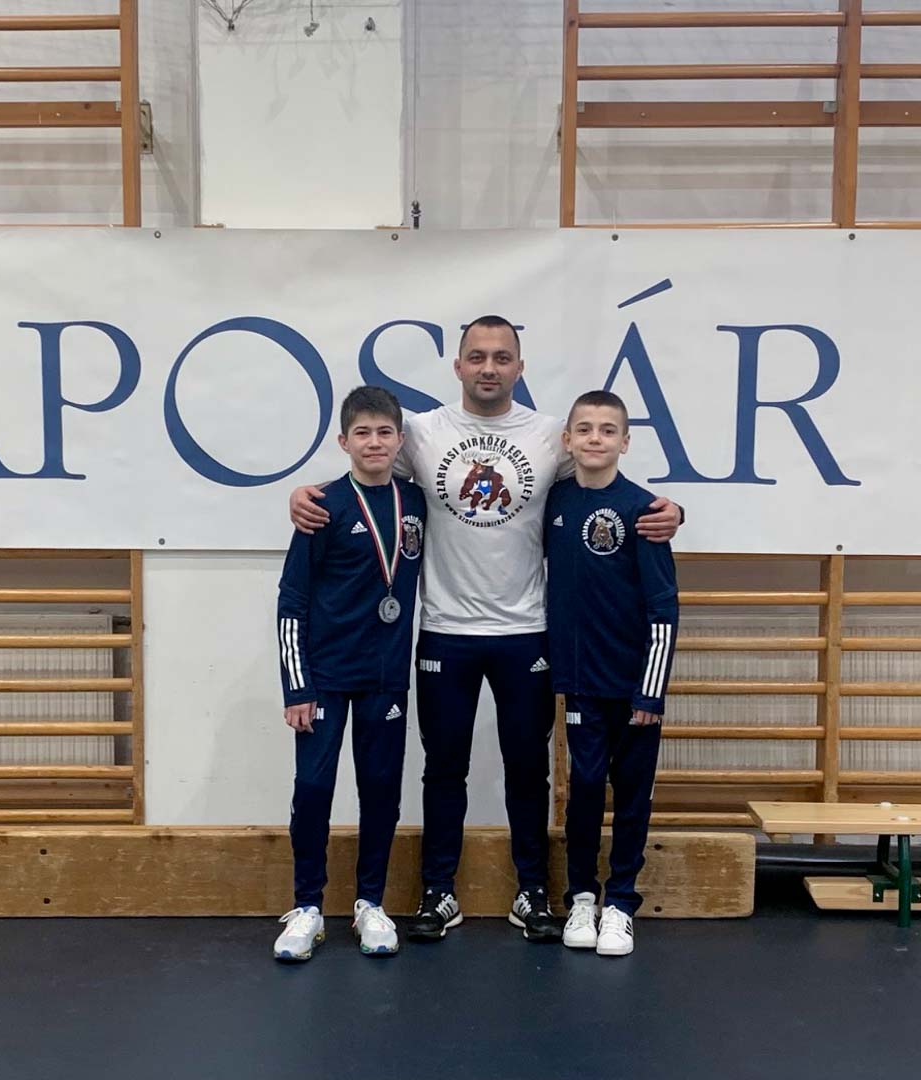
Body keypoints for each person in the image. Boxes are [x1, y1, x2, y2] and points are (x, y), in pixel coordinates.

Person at [290, 316, 683, 943]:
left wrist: (674, 510)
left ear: (520, 368)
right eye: (477, 356)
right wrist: (302, 495)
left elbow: (603, 476)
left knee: (527, 770)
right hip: (445, 629)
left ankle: (532, 892)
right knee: (444, 768)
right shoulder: (423, 432)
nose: (489, 368)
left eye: (502, 357)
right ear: (458, 366)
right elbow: (367, 462)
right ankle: (438, 891)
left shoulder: (550, 435)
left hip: (526, 631)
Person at [272, 386, 427, 961]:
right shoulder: (323, 506)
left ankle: (370, 903)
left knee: (380, 789)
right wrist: (297, 686)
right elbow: (292, 600)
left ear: (400, 440)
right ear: (343, 441)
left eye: (385, 432)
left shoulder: (416, 502)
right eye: (363, 433)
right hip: (325, 678)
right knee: (313, 788)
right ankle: (307, 906)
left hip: (386, 675)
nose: (374, 443)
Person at [545, 390, 678, 956]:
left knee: (631, 796)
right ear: (567, 440)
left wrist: (650, 690)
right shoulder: (553, 501)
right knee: (583, 791)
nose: (594, 438)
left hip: (633, 688)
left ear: (625, 442)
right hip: (580, 683)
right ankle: (582, 896)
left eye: (606, 430)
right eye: (584, 429)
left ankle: (621, 901)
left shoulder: (644, 511)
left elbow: (663, 608)